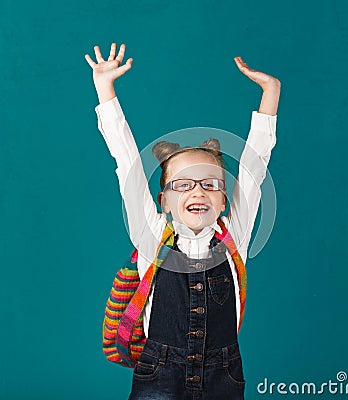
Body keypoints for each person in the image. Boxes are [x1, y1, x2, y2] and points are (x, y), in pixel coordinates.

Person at [85, 43, 281, 400]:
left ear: (224, 200)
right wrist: (105, 88)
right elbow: (126, 158)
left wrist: (271, 94)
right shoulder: (151, 234)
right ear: (164, 201)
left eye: (210, 184)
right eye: (184, 184)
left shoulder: (233, 237)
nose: (198, 191)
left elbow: (255, 166)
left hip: (224, 377)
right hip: (158, 374)